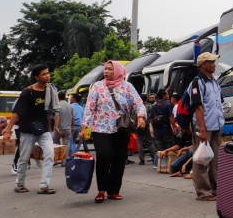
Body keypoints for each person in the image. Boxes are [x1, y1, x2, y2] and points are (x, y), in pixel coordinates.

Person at [80, 60, 146, 203]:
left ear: (117, 71)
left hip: (121, 128)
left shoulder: (127, 87)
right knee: (104, 155)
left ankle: (114, 190)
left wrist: (141, 117)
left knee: (119, 158)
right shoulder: (97, 87)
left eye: (110, 69)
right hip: (100, 128)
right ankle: (101, 190)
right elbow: (89, 107)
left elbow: (138, 102)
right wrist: (84, 127)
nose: (106, 71)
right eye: (105, 69)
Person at [2, 64, 59, 194]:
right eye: (44, 74)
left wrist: (53, 127)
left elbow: (52, 111)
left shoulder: (50, 90)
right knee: (24, 157)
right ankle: (20, 184)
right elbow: (17, 112)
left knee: (50, 154)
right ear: (36, 77)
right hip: (28, 129)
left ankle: (44, 186)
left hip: (43, 129)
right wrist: (7, 130)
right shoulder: (28, 92)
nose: (47, 76)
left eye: (48, 73)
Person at [190, 52, 224, 201]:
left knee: (215, 159)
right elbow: (198, 107)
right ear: (204, 64)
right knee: (201, 160)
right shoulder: (197, 82)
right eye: (211, 62)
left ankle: (215, 189)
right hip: (204, 127)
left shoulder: (215, 81)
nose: (214, 64)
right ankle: (203, 192)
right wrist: (202, 129)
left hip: (216, 125)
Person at [150, 88, 176, 168]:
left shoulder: (154, 106)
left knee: (159, 149)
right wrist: (174, 127)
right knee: (169, 147)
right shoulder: (168, 105)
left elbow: (151, 119)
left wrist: (153, 128)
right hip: (166, 130)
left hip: (157, 130)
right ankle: (169, 164)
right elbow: (171, 117)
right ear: (163, 96)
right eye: (167, 94)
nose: (168, 95)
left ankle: (158, 164)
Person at [52, 91, 73, 165]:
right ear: (65, 97)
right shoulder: (70, 106)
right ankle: (64, 162)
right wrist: (72, 126)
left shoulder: (58, 105)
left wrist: (56, 126)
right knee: (66, 145)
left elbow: (57, 116)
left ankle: (57, 160)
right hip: (68, 128)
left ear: (58, 97)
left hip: (59, 128)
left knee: (55, 144)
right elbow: (73, 117)